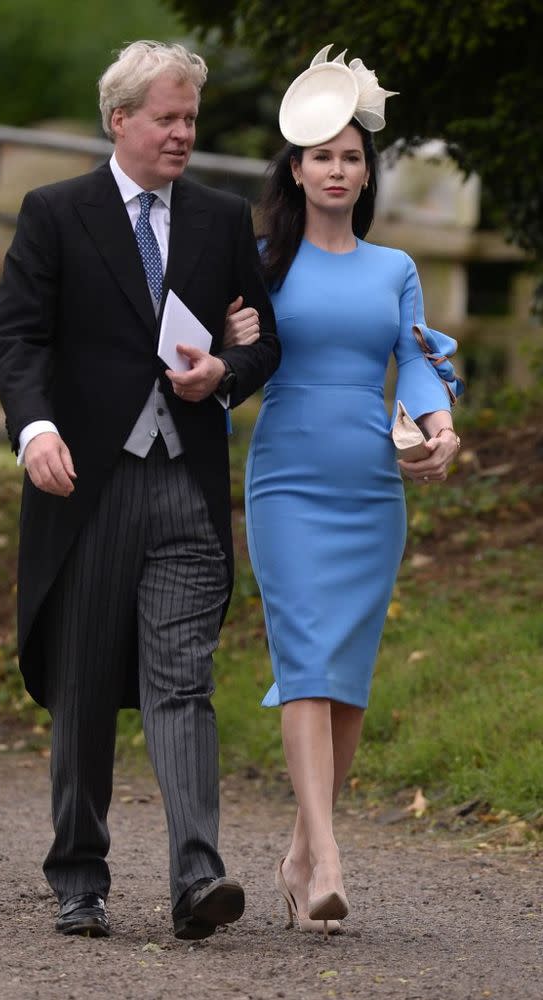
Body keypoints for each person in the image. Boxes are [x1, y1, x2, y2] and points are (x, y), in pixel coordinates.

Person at [0, 40, 280, 941]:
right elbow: (18, 340)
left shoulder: (221, 217)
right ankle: (79, 874)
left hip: (185, 490)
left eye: (191, 117)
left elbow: (262, 339)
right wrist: (35, 431)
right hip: (87, 488)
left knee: (181, 684)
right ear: (119, 120)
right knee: (80, 690)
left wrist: (223, 372)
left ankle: (199, 878)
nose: (184, 132)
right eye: (167, 117)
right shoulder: (54, 213)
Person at [224, 45, 463, 937]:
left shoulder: (392, 267)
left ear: (366, 173)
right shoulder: (258, 262)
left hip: (370, 488)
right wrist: (227, 332)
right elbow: (233, 357)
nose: (336, 168)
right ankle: (325, 857)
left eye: (350, 156)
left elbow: (417, 358)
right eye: (320, 154)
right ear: (296, 167)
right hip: (286, 481)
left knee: (348, 681)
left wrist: (438, 428)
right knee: (305, 665)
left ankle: (295, 853)